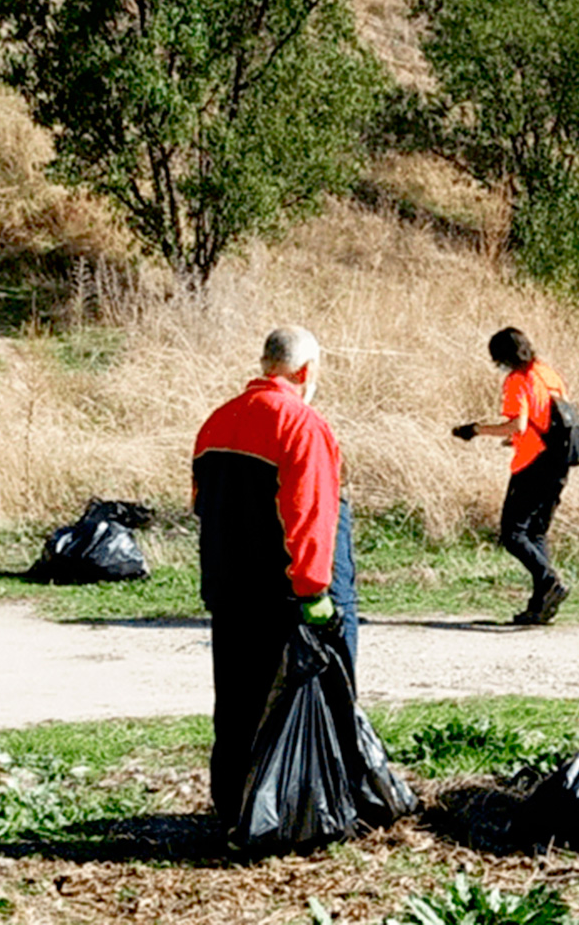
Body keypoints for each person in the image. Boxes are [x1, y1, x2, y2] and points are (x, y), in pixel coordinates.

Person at [192, 325, 356, 819]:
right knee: (295, 703)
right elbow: (309, 515)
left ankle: (231, 809)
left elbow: (201, 506)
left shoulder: (216, 422)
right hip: (279, 595)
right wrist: (313, 592)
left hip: (227, 590)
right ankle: (298, 810)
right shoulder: (302, 425)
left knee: (236, 707)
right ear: (305, 371)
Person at [453, 327, 572, 625]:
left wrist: (477, 429)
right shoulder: (548, 374)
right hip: (558, 462)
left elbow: (516, 425)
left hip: (532, 463)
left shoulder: (517, 380)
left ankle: (549, 581)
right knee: (536, 533)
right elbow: (549, 419)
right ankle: (540, 606)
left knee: (513, 533)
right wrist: (518, 437)